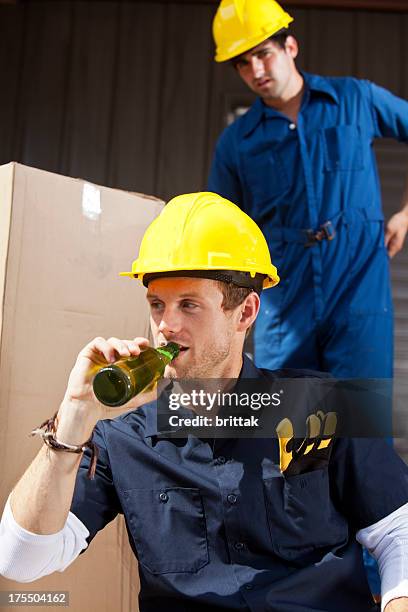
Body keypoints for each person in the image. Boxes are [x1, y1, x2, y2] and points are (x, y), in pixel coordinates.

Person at [1, 192, 408, 612]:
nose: (166, 326)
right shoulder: (120, 439)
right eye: (157, 305)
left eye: (188, 305)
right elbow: (20, 560)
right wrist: (72, 417)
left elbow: (399, 528)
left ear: (246, 312)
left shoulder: (323, 404)